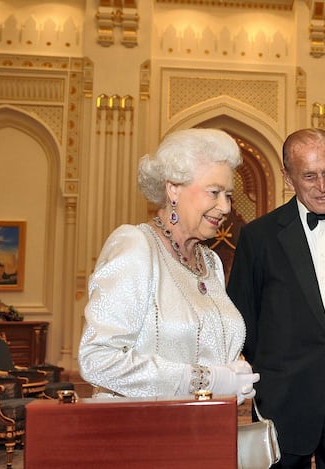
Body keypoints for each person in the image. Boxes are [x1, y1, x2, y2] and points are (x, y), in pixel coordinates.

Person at [227, 128, 325, 468]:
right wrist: (279, 368)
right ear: (288, 178)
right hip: (284, 398)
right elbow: (243, 320)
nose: (323, 186)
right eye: (309, 176)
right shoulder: (259, 238)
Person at [79, 128, 259, 402]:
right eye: (214, 192)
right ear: (173, 188)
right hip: (147, 433)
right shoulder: (136, 245)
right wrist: (204, 380)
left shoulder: (210, 262)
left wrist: (234, 376)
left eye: (229, 195)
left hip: (207, 431)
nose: (225, 208)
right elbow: (97, 358)